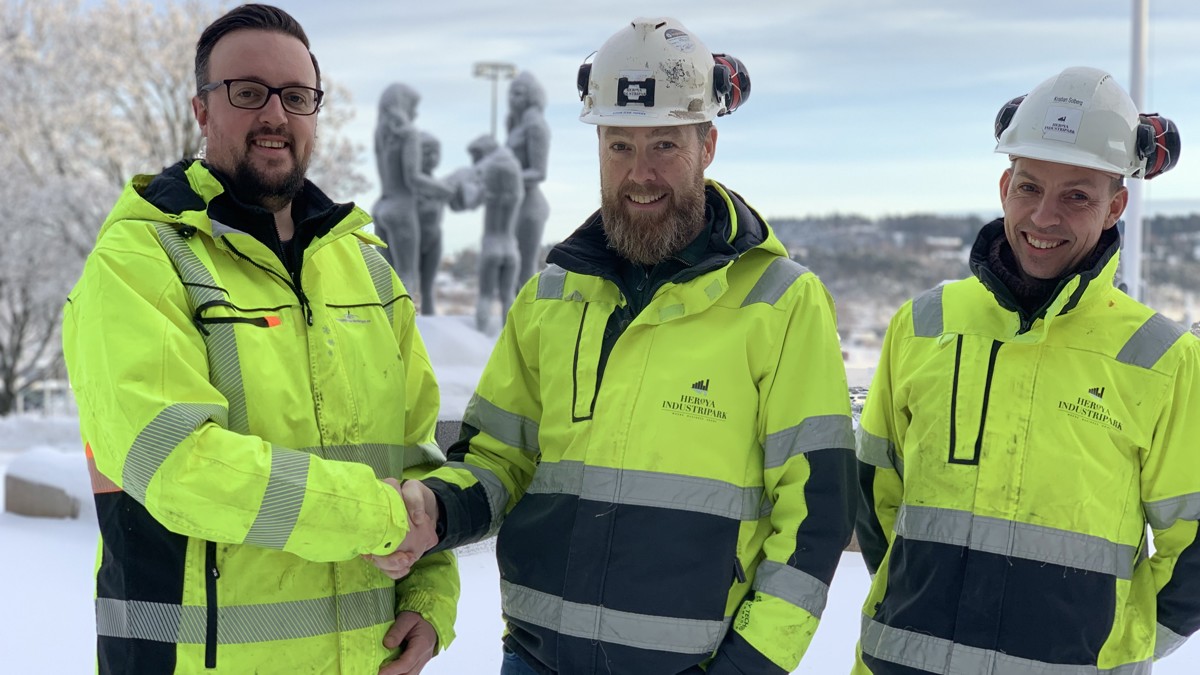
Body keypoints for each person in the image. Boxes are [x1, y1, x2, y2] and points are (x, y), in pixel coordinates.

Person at [371, 17, 855, 674]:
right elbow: (498, 457)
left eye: (665, 144)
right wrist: (437, 508)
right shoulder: (550, 295)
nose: (640, 173)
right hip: (535, 658)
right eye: (619, 145)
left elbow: (815, 513)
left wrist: (749, 666)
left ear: (708, 145)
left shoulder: (781, 302)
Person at [61, 4, 457, 674]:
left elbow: (416, 453)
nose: (276, 114)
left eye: (297, 97)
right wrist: (386, 516)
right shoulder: (138, 263)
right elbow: (180, 466)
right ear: (202, 110)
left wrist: (428, 595)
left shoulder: (367, 269)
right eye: (248, 92)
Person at [854, 66, 1199, 674]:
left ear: (1116, 206)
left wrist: (1118, 645)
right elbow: (876, 496)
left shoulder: (1161, 358)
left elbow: (1193, 546)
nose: (1043, 217)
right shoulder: (925, 324)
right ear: (1004, 187)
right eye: (1029, 187)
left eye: (1077, 196)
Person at [373, 82, 425, 303]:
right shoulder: (409, 134)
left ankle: (384, 322)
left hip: (382, 206)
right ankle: (405, 322)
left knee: (384, 279)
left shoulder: (380, 133)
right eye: (413, 106)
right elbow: (413, 178)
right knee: (407, 274)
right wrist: (446, 190)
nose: (415, 113)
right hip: (402, 208)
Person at [505, 71, 551, 287]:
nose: (513, 98)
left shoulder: (535, 125)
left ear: (532, 95)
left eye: (519, 93)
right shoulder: (516, 124)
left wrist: (505, 177)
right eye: (511, 93)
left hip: (530, 209)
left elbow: (538, 173)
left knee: (524, 269)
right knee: (511, 269)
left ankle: (525, 308)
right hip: (515, 204)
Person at [414, 131, 455, 316]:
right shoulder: (412, 185)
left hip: (434, 239)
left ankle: (430, 320)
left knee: (428, 288)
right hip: (414, 239)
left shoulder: (440, 185)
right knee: (409, 285)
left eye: (435, 153)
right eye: (426, 153)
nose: (431, 158)